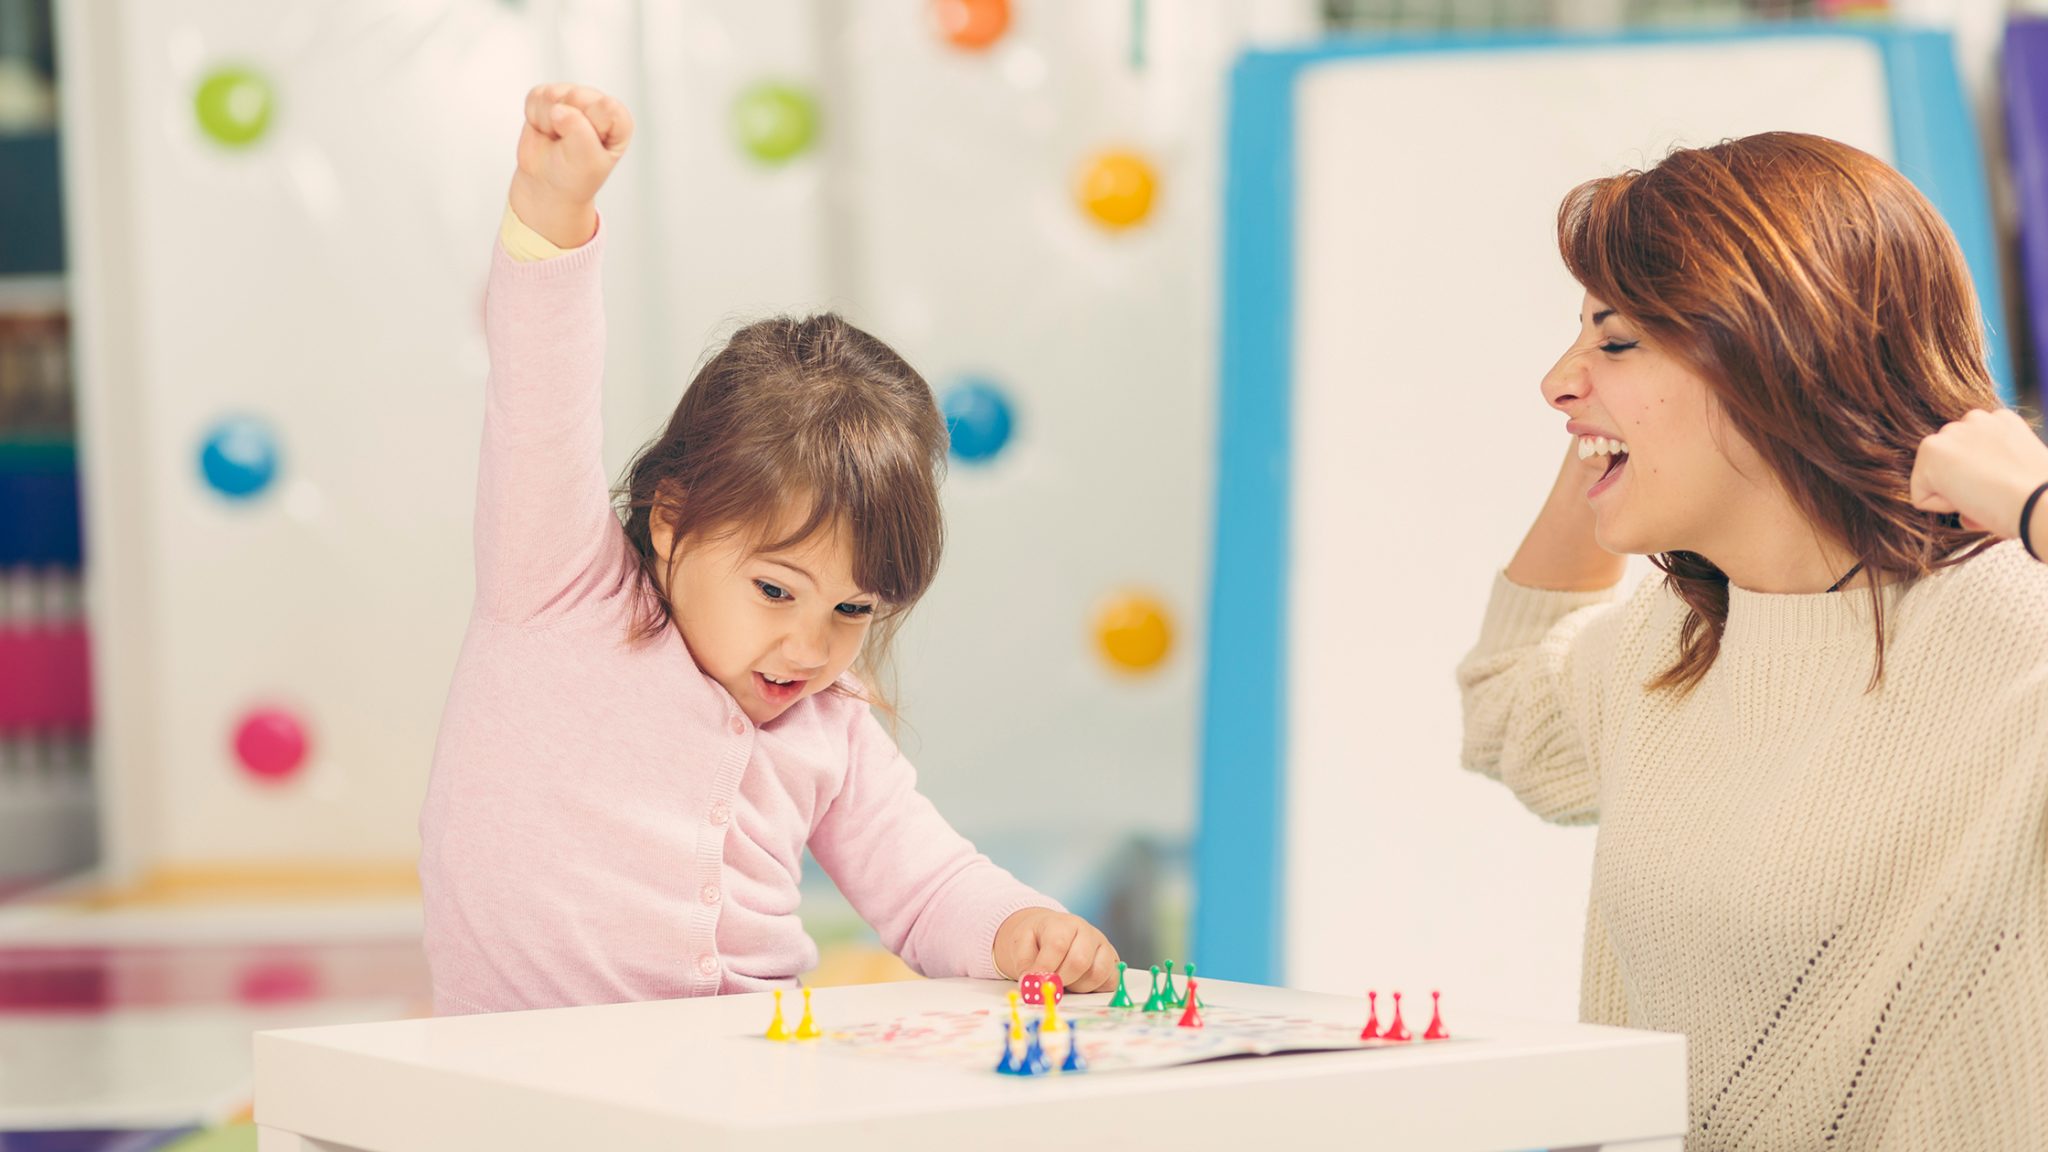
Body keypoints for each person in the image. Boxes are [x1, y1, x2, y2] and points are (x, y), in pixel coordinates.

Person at [420, 84, 1118, 1015]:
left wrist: (1020, 929)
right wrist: (555, 205)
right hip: (530, 1070)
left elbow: (927, 885)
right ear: (672, 521)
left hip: (751, 1064)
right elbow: (542, 385)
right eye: (777, 591)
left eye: (853, 610)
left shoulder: (831, 724)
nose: (810, 648)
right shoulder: (560, 588)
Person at [1458, 132, 2048, 1148]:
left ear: (1779, 357)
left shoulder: (2016, 643)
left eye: (1615, 340)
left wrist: (2032, 498)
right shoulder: (1671, 646)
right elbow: (1507, 704)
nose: (1553, 380)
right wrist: (1603, 434)